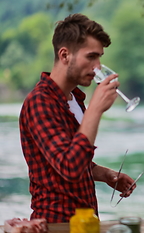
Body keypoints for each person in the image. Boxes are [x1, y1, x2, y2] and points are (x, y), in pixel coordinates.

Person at [19, 13, 136, 223]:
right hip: (57, 225)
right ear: (65, 55)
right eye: (91, 57)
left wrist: (104, 174)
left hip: (84, 223)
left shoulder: (74, 98)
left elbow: (71, 158)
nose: (98, 66)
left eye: (100, 57)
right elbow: (69, 168)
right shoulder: (40, 102)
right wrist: (96, 109)